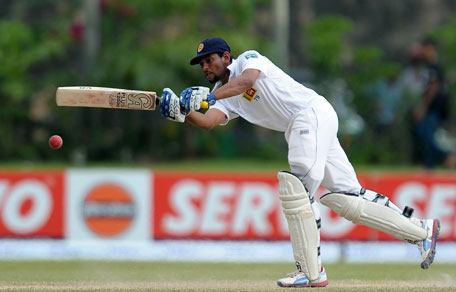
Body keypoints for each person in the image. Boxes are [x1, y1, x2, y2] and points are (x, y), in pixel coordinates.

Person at [159, 37, 440, 288]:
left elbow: (246, 82)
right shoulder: (226, 97)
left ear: (226, 57)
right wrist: (182, 114)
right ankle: (422, 231)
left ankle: (310, 271)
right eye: (201, 65)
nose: (205, 67)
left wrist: (206, 97)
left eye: (209, 60)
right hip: (308, 123)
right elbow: (209, 121)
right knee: (348, 197)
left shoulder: (248, 60)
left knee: (298, 190)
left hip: (309, 114)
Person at [412, 38, 456, 169]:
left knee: (427, 135)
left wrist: (422, 108)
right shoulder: (430, 67)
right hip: (436, 108)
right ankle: (429, 165)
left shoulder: (433, 67)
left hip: (434, 108)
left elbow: (433, 88)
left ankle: (449, 154)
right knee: (427, 136)